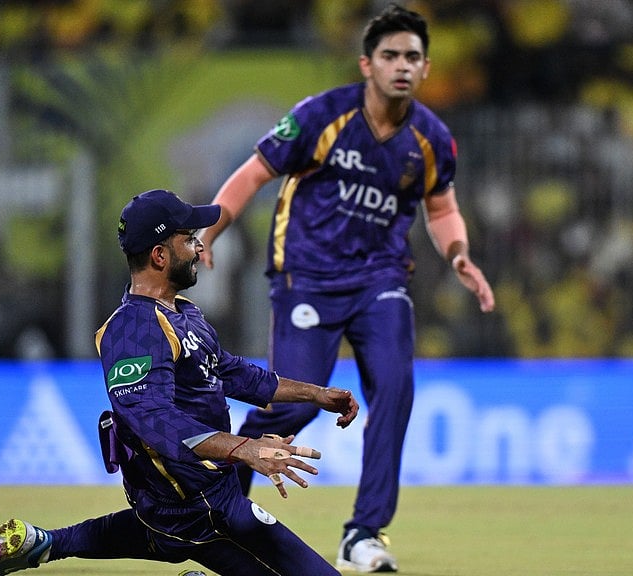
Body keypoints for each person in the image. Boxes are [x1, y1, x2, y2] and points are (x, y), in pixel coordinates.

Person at [198, 4, 495, 572]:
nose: (401, 66)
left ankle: (363, 532)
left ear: (426, 67)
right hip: (304, 278)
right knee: (291, 408)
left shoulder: (431, 138)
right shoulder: (321, 116)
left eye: (412, 57)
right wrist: (213, 227)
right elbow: (255, 172)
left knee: (395, 390)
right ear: (367, 64)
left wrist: (458, 253)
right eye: (390, 56)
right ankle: (219, 512)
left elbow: (442, 207)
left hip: (380, 280)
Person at [0, 189, 360, 576]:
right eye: (189, 240)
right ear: (159, 255)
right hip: (196, 504)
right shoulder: (132, 329)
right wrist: (245, 449)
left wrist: (317, 394)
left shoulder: (183, 312)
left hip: (195, 498)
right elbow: (155, 419)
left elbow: (233, 373)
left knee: (141, 537)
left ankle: (38, 542)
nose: (200, 248)